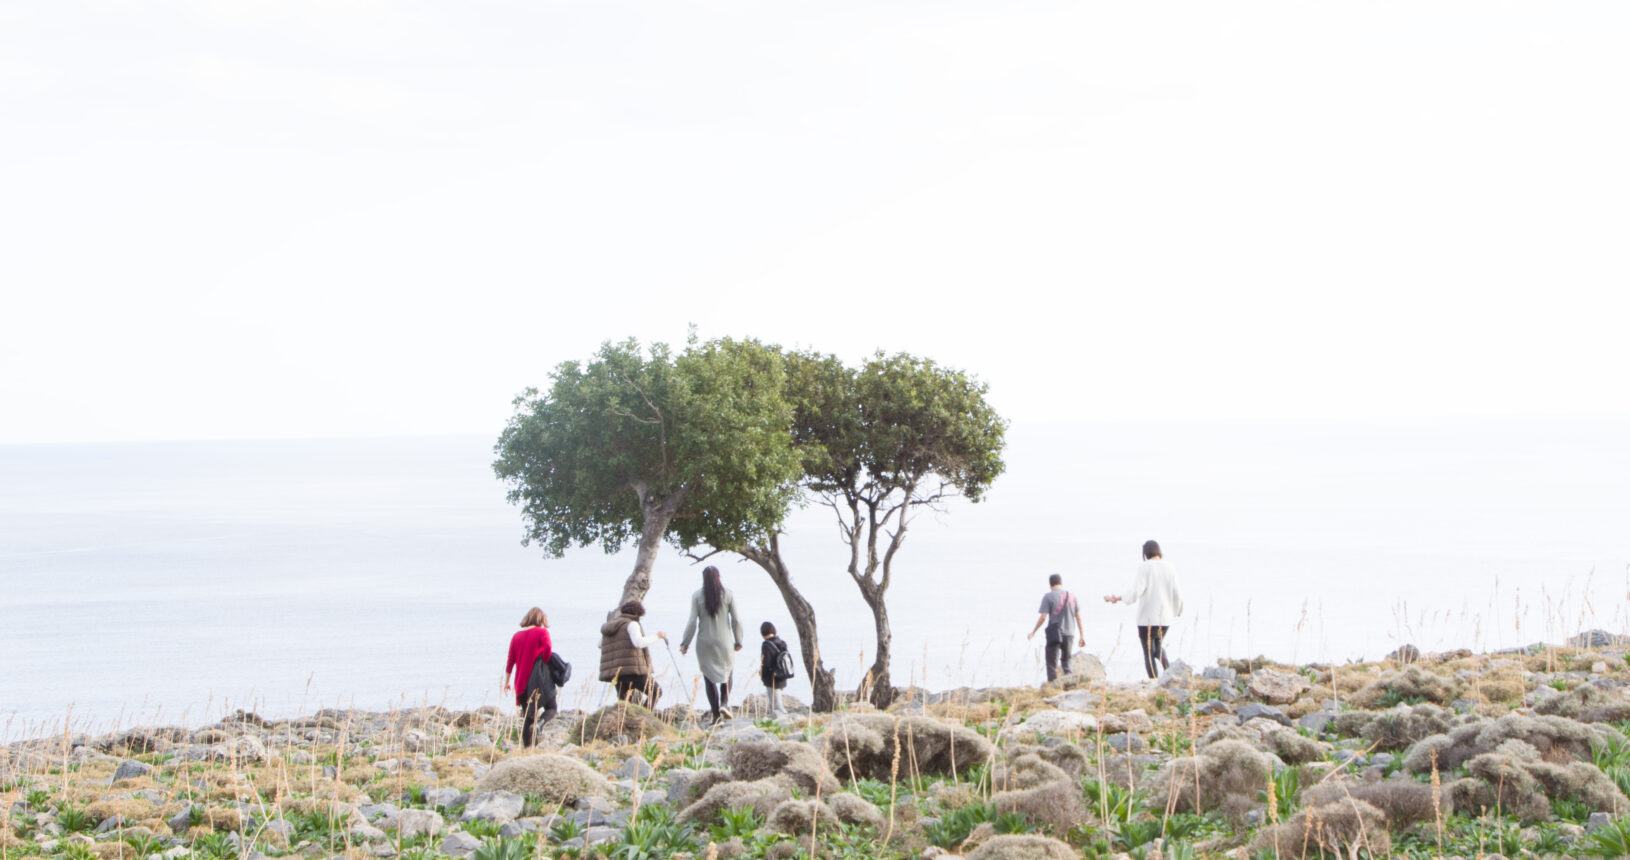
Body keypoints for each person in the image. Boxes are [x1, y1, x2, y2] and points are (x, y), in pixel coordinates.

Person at [1104, 540, 1184, 679]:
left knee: (1148, 652)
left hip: (1147, 618)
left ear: (1145, 553)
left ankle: (1154, 681)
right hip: (1165, 618)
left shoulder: (1145, 567)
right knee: (1158, 648)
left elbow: (1136, 592)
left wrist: (1119, 598)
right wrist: (1177, 611)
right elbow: (1177, 593)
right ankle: (1168, 673)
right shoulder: (1170, 568)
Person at [679, 565, 744, 725]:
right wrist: (738, 640)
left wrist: (685, 643)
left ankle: (716, 717)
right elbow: (736, 620)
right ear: (719, 577)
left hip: (704, 642)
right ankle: (724, 703)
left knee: (709, 678)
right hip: (724, 641)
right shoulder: (728, 594)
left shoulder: (696, 596)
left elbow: (692, 621)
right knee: (728, 672)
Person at [503, 607, 555, 747]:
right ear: (541, 619)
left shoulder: (516, 636)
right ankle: (540, 724)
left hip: (521, 683)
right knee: (551, 707)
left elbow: (510, 660)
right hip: (538, 681)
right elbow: (548, 648)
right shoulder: (542, 632)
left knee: (528, 715)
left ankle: (527, 749)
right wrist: (545, 660)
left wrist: (507, 681)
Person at [598, 600, 666, 707]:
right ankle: (643, 715)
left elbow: (600, 645)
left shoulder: (611, 626)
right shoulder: (632, 624)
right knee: (656, 692)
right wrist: (657, 637)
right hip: (633, 671)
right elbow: (639, 642)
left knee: (624, 704)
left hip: (617, 673)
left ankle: (626, 718)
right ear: (637, 614)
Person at [1027, 573, 1086, 682]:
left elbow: (1043, 617)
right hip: (1070, 634)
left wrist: (1033, 632)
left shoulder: (1048, 596)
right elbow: (1078, 618)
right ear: (1061, 583)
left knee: (1051, 663)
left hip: (1054, 633)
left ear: (1050, 585)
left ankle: (1053, 686)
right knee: (1066, 662)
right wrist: (1082, 636)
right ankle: (1069, 684)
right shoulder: (1072, 596)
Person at [759, 621, 791, 717]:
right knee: (775, 702)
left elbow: (766, 663)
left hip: (772, 678)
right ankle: (774, 718)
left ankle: (785, 718)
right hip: (782, 675)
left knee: (776, 705)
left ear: (763, 633)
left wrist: (762, 674)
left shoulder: (766, 645)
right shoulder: (781, 643)